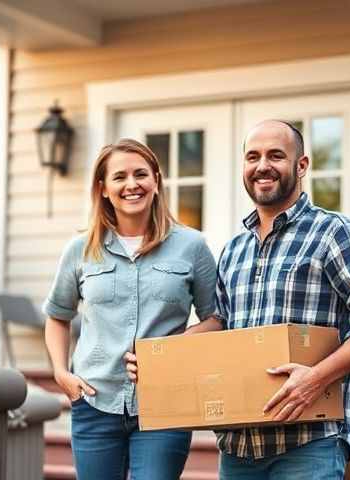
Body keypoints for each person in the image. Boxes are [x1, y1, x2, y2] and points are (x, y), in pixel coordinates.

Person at [126, 120, 350, 479]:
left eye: (276, 155)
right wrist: (159, 357)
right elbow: (221, 323)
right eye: (252, 157)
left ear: (301, 166)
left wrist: (316, 378)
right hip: (240, 447)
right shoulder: (235, 249)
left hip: (308, 442)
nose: (262, 166)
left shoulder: (335, 233)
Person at [43, 138, 220, 480]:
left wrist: (172, 347)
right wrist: (60, 373)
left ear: (155, 180)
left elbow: (216, 318)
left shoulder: (192, 246)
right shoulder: (80, 250)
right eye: (119, 177)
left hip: (167, 402)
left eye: (141, 174)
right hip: (94, 401)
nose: (131, 184)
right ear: (104, 188)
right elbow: (57, 316)